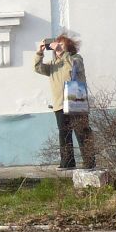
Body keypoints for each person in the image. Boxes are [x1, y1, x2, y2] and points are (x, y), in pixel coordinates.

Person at [34, 32, 96, 170]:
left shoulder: (75, 58)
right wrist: (39, 53)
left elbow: (72, 67)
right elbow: (38, 68)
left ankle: (89, 162)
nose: (57, 47)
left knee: (82, 131)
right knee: (64, 132)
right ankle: (67, 162)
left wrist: (62, 52)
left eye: (61, 45)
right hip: (60, 103)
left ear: (68, 48)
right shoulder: (53, 64)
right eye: (57, 45)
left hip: (76, 99)